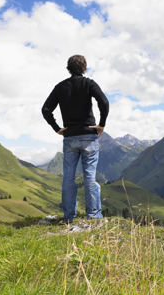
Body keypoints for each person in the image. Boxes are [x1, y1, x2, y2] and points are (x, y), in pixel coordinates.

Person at [42, 55, 109, 223]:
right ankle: (93, 215)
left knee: (68, 178)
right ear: (84, 67)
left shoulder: (60, 87)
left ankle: (69, 217)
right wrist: (101, 124)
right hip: (89, 136)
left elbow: (45, 109)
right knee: (90, 177)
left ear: (68, 68)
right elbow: (104, 103)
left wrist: (57, 128)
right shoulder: (89, 84)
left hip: (70, 137)